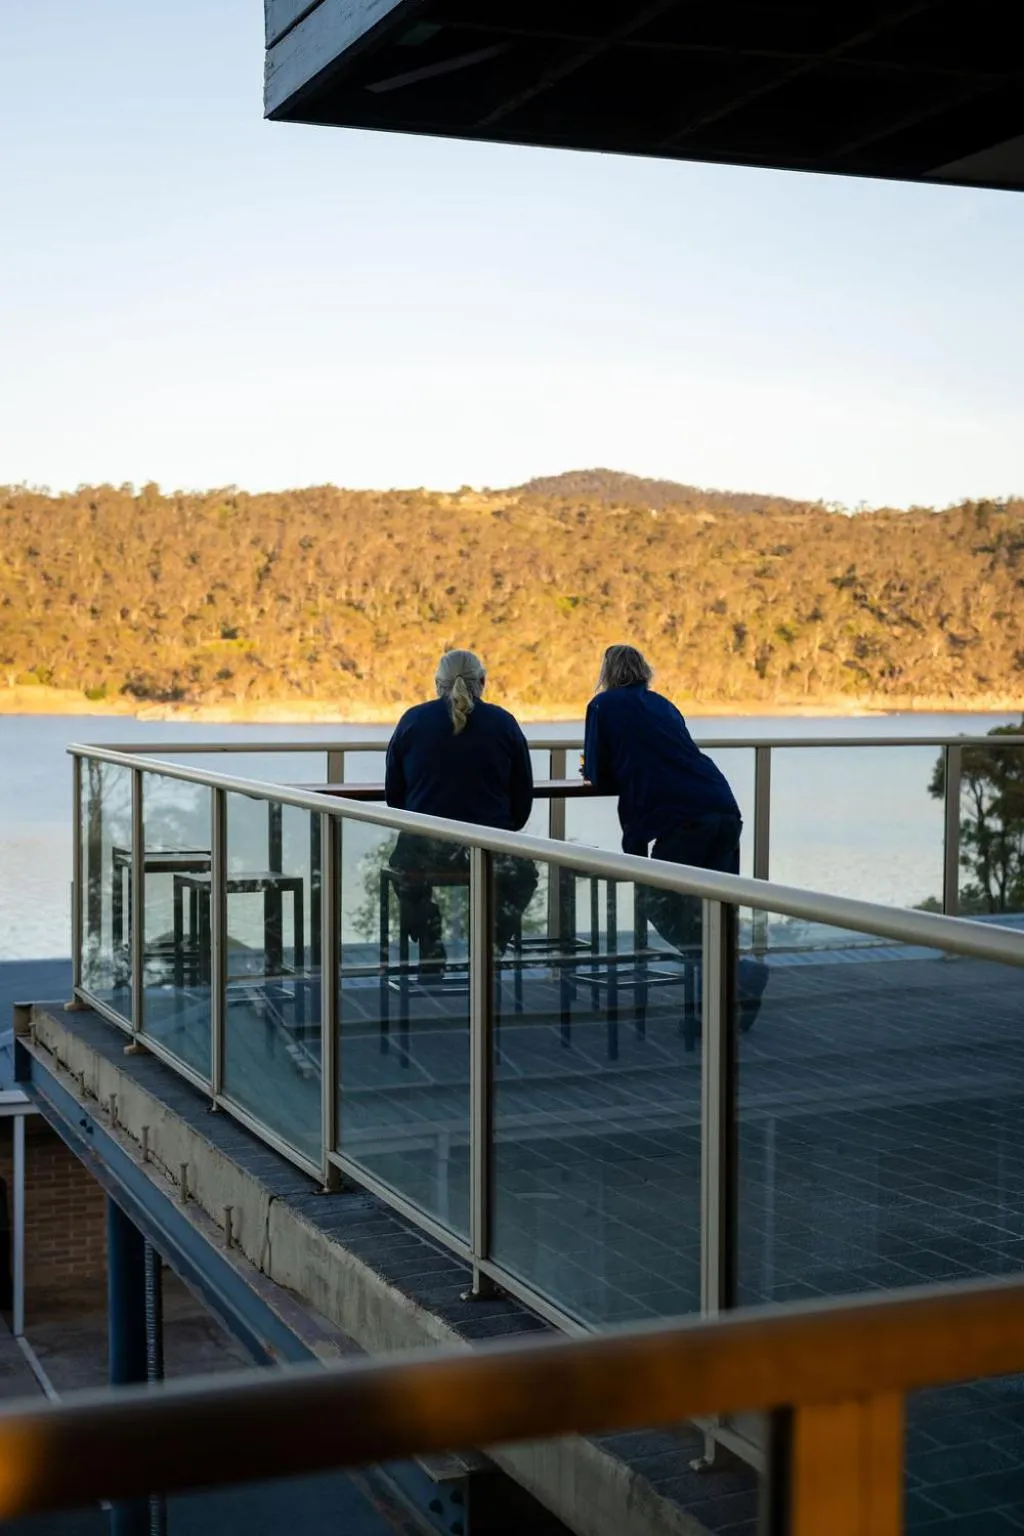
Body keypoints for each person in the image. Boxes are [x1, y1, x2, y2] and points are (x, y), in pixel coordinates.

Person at [583, 643, 767, 1028]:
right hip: (721, 805)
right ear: (643, 670)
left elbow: (599, 772)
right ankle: (722, 999)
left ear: (607, 674)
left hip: (684, 820)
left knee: (661, 902)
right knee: (710, 908)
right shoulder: (663, 704)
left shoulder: (603, 706)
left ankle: (734, 975)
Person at [385, 649, 537, 976]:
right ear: (482, 682)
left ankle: (430, 943)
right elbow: (523, 796)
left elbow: (394, 799)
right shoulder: (504, 723)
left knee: (402, 868)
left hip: (426, 847)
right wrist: (502, 829)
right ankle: (489, 947)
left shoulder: (412, 721)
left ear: (437, 683)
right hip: (491, 846)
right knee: (524, 875)